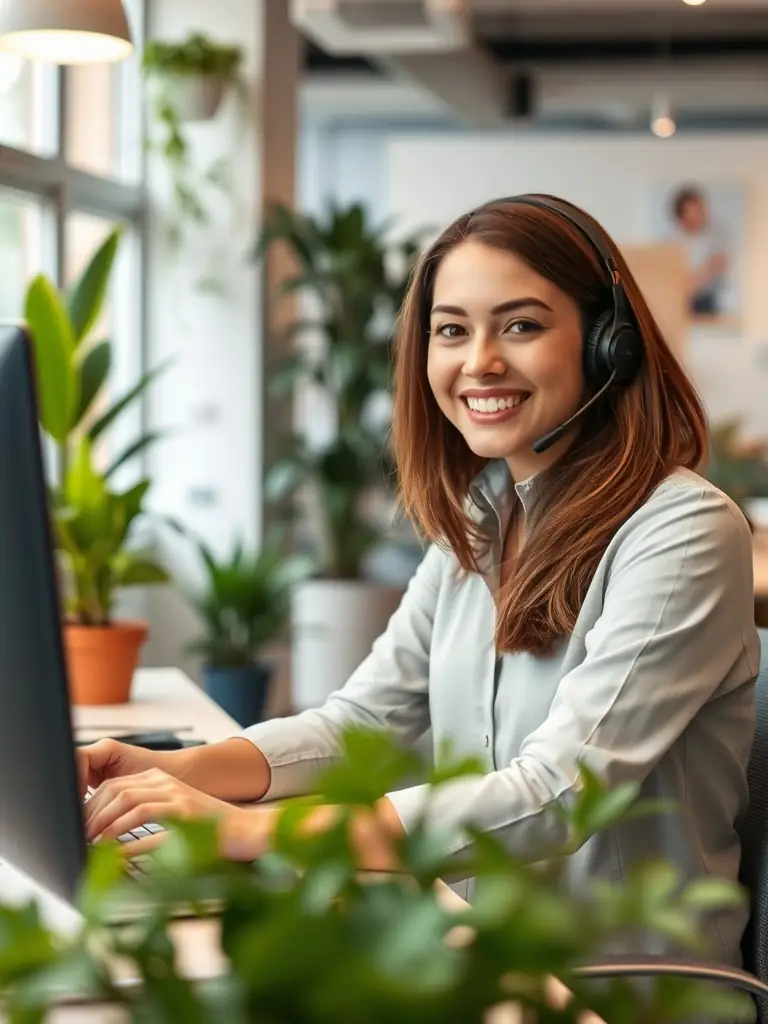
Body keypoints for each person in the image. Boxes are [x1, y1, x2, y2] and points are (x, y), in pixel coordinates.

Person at [80, 194, 759, 967]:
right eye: (452, 331)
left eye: (521, 325)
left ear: (610, 345)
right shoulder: (483, 514)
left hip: (620, 985)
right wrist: (181, 771)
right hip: (473, 951)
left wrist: (246, 829)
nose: (479, 362)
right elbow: (359, 722)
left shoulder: (682, 531)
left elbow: (560, 793)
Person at [668, 184, 730, 317]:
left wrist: (690, 283)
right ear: (682, 214)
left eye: (701, 209)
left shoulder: (714, 238)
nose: (701, 214)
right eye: (695, 210)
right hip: (675, 301)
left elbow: (716, 267)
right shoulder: (671, 241)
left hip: (704, 302)